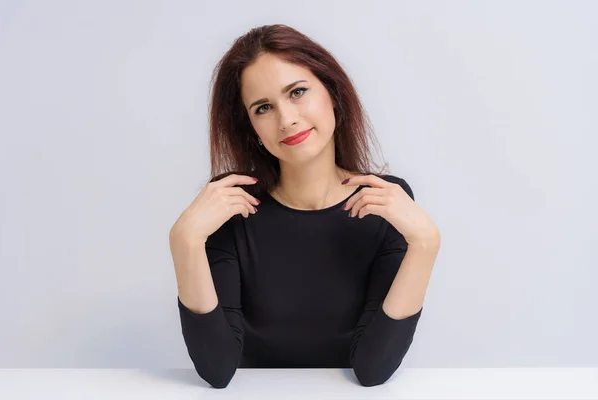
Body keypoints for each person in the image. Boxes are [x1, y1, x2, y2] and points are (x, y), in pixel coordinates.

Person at [168, 24, 441, 389]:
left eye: (297, 92)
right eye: (263, 107)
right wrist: (184, 241)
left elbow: (373, 369)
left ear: (332, 93)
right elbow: (217, 369)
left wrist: (426, 244)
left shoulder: (384, 199)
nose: (286, 119)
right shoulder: (233, 204)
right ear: (251, 128)